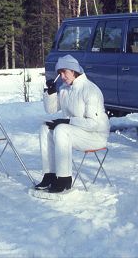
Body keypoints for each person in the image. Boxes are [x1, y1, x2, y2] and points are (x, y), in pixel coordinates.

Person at [36, 55, 110, 193]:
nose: (62, 76)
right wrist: (51, 92)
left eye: (64, 72)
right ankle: (50, 175)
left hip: (95, 136)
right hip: (75, 133)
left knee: (61, 129)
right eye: (59, 73)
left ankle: (64, 179)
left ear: (74, 70)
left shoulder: (90, 90)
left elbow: (93, 124)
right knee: (45, 128)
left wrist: (67, 121)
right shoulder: (65, 89)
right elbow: (51, 109)